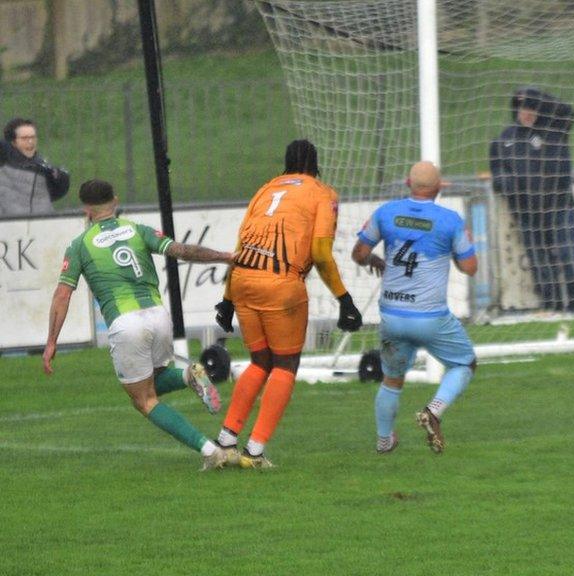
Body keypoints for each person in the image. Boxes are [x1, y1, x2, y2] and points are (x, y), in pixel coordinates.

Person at [42, 179, 232, 470]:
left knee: (144, 401)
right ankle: (188, 376)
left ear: (85, 209)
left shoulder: (79, 245)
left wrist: (52, 341)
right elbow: (181, 250)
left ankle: (210, 451)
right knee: (154, 380)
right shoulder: (137, 230)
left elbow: (62, 294)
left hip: (126, 324)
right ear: (115, 201)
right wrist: (224, 256)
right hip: (158, 315)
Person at [212, 139, 364, 468]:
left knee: (259, 361)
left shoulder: (265, 189)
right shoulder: (323, 194)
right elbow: (321, 254)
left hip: (242, 280)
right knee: (285, 365)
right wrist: (344, 299)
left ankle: (226, 441)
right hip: (280, 282)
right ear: (316, 163)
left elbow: (240, 246)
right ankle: (254, 451)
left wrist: (226, 300)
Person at [351, 161, 477, 455]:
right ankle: (433, 410)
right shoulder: (450, 220)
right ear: (439, 188)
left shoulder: (386, 212)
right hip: (430, 317)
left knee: (392, 379)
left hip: (393, 314)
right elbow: (470, 267)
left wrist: (375, 262)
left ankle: (384, 442)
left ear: (408, 183)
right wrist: (456, 253)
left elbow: (359, 253)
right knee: (464, 363)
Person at [489, 87, 574, 313]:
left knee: (568, 254)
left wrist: (533, 94)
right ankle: (551, 305)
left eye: (533, 108)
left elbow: (567, 111)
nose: (528, 113)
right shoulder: (503, 140)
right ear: (516, 110)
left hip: (559, 206)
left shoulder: (555, 128)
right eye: (524, 108)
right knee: (540, 261)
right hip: (527, 212)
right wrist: (509, 187)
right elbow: (497, 173)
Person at [0, 118, 70, 216]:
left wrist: (61, 178)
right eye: (24, 138)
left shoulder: (43, 167)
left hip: (44, 224)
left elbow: (58, 192)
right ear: (13, 142)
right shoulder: (4, 160)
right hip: (9, 226)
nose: (30, 142)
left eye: (33, 137)